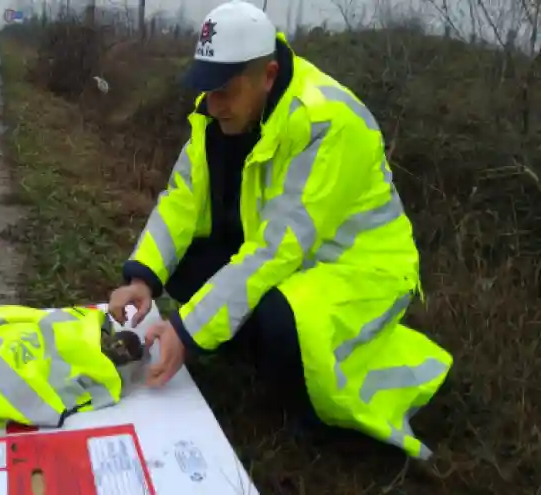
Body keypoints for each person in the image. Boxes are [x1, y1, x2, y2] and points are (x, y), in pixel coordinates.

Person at [107, 0, 453, 460]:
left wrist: (188, 332)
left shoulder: (328, 123)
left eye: (226, 91)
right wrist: (142, 278)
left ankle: (321, 419)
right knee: (186, 265)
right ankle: (257, 356)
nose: (213, 105)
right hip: (287, 252)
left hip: (360, 271)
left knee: (282, 321)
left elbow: (276, 248)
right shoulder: (218, 112)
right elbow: (183, 198)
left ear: (268, 76)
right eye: (207, 90)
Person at [0, 303, 146, 427]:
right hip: (20, 341)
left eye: (124, 352)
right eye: (119, 344)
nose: (118, 350)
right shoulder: (87, 321)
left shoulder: (104, 375)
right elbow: (30, 317)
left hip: (22, 358)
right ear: (111, 337)